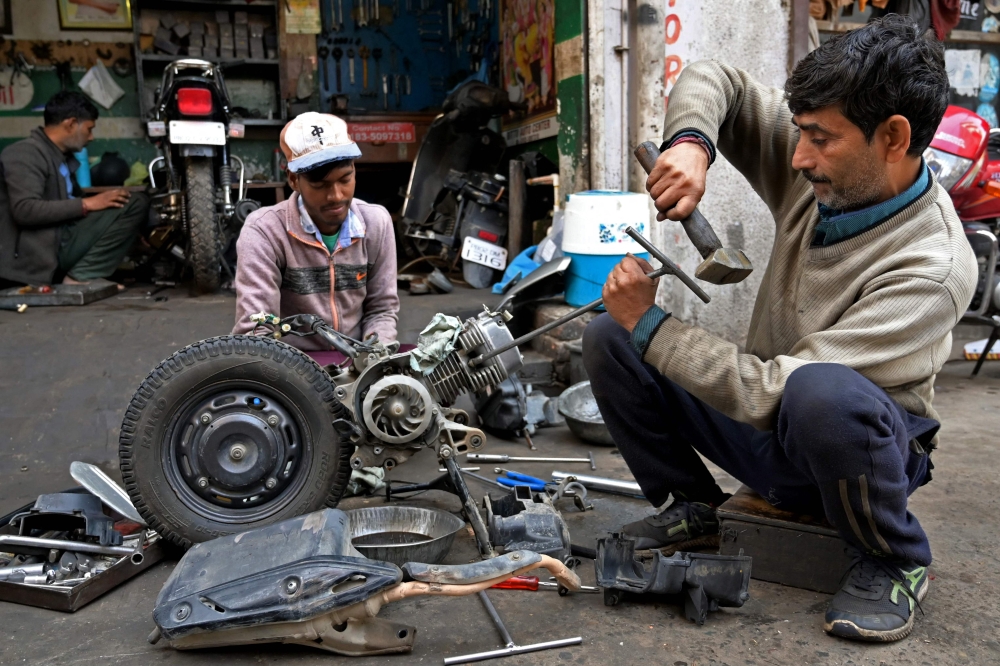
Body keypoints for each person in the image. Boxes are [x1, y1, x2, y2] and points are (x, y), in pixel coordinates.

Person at [583, 15, 977, 643]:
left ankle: (893, 558)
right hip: (772, 425)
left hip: (857, 452)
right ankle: (695, 510)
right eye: (798, 132)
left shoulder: (931, 266)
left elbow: (776, 390)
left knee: (821, 396)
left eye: (820, 139)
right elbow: (720, 81)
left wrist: (654, 325)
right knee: (611, 337)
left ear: (895, 137)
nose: (798, 157)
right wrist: (691, 143)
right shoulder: (822, 167)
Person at [233, 112, 399, 359]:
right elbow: (256, 329)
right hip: (291, 370)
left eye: (345, 179)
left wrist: (374, 358)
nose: (336, 196)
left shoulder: (376, 223)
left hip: (356, 361)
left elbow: (381, 309)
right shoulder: (264, 231)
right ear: (293, 179)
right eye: (320, 185)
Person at [0, 91, 148, 287]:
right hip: (38, 255)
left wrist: (120, 227)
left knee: (129, 200)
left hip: (61, 238)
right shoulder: (24, 153)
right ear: (70, 124)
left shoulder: (61, 157)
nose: (92, 137)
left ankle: (82, 274)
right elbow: (25, 210)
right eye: (89, 129)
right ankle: (81, 277)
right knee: (135, 203)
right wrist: (86, 203)